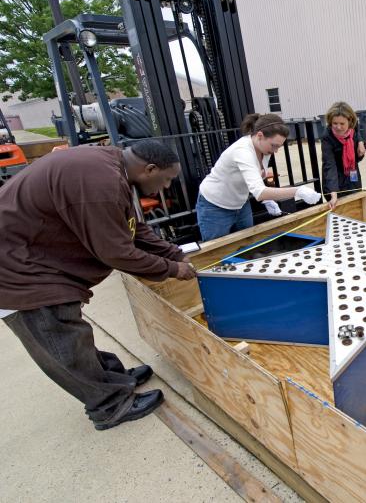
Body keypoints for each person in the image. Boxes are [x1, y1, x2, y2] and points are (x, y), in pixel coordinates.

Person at [0, 140, 197, 431]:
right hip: (17, 268)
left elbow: (131, 228)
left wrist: (173, 253)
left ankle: (113, 377)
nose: (166, 187)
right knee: (60, 337)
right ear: (150, 169)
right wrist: (173, 269)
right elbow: (116, 252)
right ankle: (110, 405)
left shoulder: (110, 168)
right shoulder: (100, 183)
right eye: (166, 180)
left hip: (31, 254)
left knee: (71, 332)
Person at [196, 113, 321, 241]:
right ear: (260, 135)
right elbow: (260, 192)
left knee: (248, 244)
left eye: (279, 146)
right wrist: (298, 191)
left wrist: (266, 200)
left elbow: (254, 179)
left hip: (240, 204)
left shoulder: (264, 149)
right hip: (215, 206)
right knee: (217, 251)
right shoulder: (243, 151)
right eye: (274, 145)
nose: (276, 151)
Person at [321, 101, 366, 209]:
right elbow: (329, 165)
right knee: (339, 205)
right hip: (334, 176)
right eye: (335, 123)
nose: (338, 127)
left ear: (350, 122)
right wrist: (333, 191)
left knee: (356, 201)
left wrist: (361, 142)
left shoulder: (353, 129)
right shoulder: (327, 137)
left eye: (342, 124)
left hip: (352, 171)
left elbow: (357, 132)